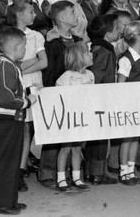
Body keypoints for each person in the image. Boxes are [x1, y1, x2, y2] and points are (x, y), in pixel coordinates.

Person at [0, 27, 37, 215]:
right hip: (4, 121)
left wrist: (27, 91)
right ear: (16, 47)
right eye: (24, 46)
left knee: (12, 162)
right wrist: (27, 101)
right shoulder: (3, 66)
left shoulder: (10, 65)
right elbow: (5, 97)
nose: (25, 49)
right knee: (5, 162)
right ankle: (0, 203)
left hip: (13, 119)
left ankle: (9, 200)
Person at [38, 0, 82, 188]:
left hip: (77, 97)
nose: (76, 16)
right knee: (54, 135)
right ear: (63, 18)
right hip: (57, 94)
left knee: (74, 137)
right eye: (72, 12)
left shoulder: (79, 41)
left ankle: (73, 172)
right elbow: (49, 72)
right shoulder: (53, 44)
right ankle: (47, 171)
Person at [6, 0, 48, 192]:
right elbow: (9, 63)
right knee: (14, 128)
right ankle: (10, 168)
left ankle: (20, 171)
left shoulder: (35, 36)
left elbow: (43, 62)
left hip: (32, 83)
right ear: (19, 14)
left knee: (27, 129)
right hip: (14, 84)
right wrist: (22, 66)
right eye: (30, 12)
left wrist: (21, 67)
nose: (34, 15)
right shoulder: (7, 35)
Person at [54, 42, 94, 192]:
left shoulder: (91, 75)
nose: (91, 54)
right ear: (79, 57)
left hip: (83, 118)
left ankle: (77, 177)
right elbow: (59, 97)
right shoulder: (66, 77)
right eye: (88, 52)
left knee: (77, 148)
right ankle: (61, 178)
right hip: (69, 118)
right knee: (65, 148)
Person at [85, 14, 120, 185]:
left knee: (96, 138)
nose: (120, 30)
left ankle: (92, 172)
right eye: (116, 27)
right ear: (108, 33)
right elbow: (96, 76)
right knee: (99, 138)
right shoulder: (104, 51)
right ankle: (97, 173)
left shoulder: (100, 48)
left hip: (100, 98)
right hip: (100, 99)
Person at [117, 20, 140, 186]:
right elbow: (120, 86)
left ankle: (131, 169)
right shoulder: (126, 60)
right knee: (127, 139)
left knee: (135, 137)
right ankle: (123, 171)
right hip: (129, 104)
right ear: (138, 37)